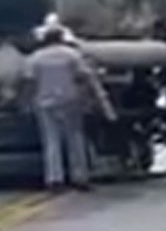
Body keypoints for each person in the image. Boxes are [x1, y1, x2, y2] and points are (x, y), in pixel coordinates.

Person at [23, 26, 117, 190]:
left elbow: (29, 82)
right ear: (61, 38)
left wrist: (25, 101)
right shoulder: (72, 55)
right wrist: (96, 100)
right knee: (75, 138)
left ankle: (54, 179)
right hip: (70, 100)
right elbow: (85, 76)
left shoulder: (35, 58)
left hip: (45, 102)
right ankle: (80, 177)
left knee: (51, 140)